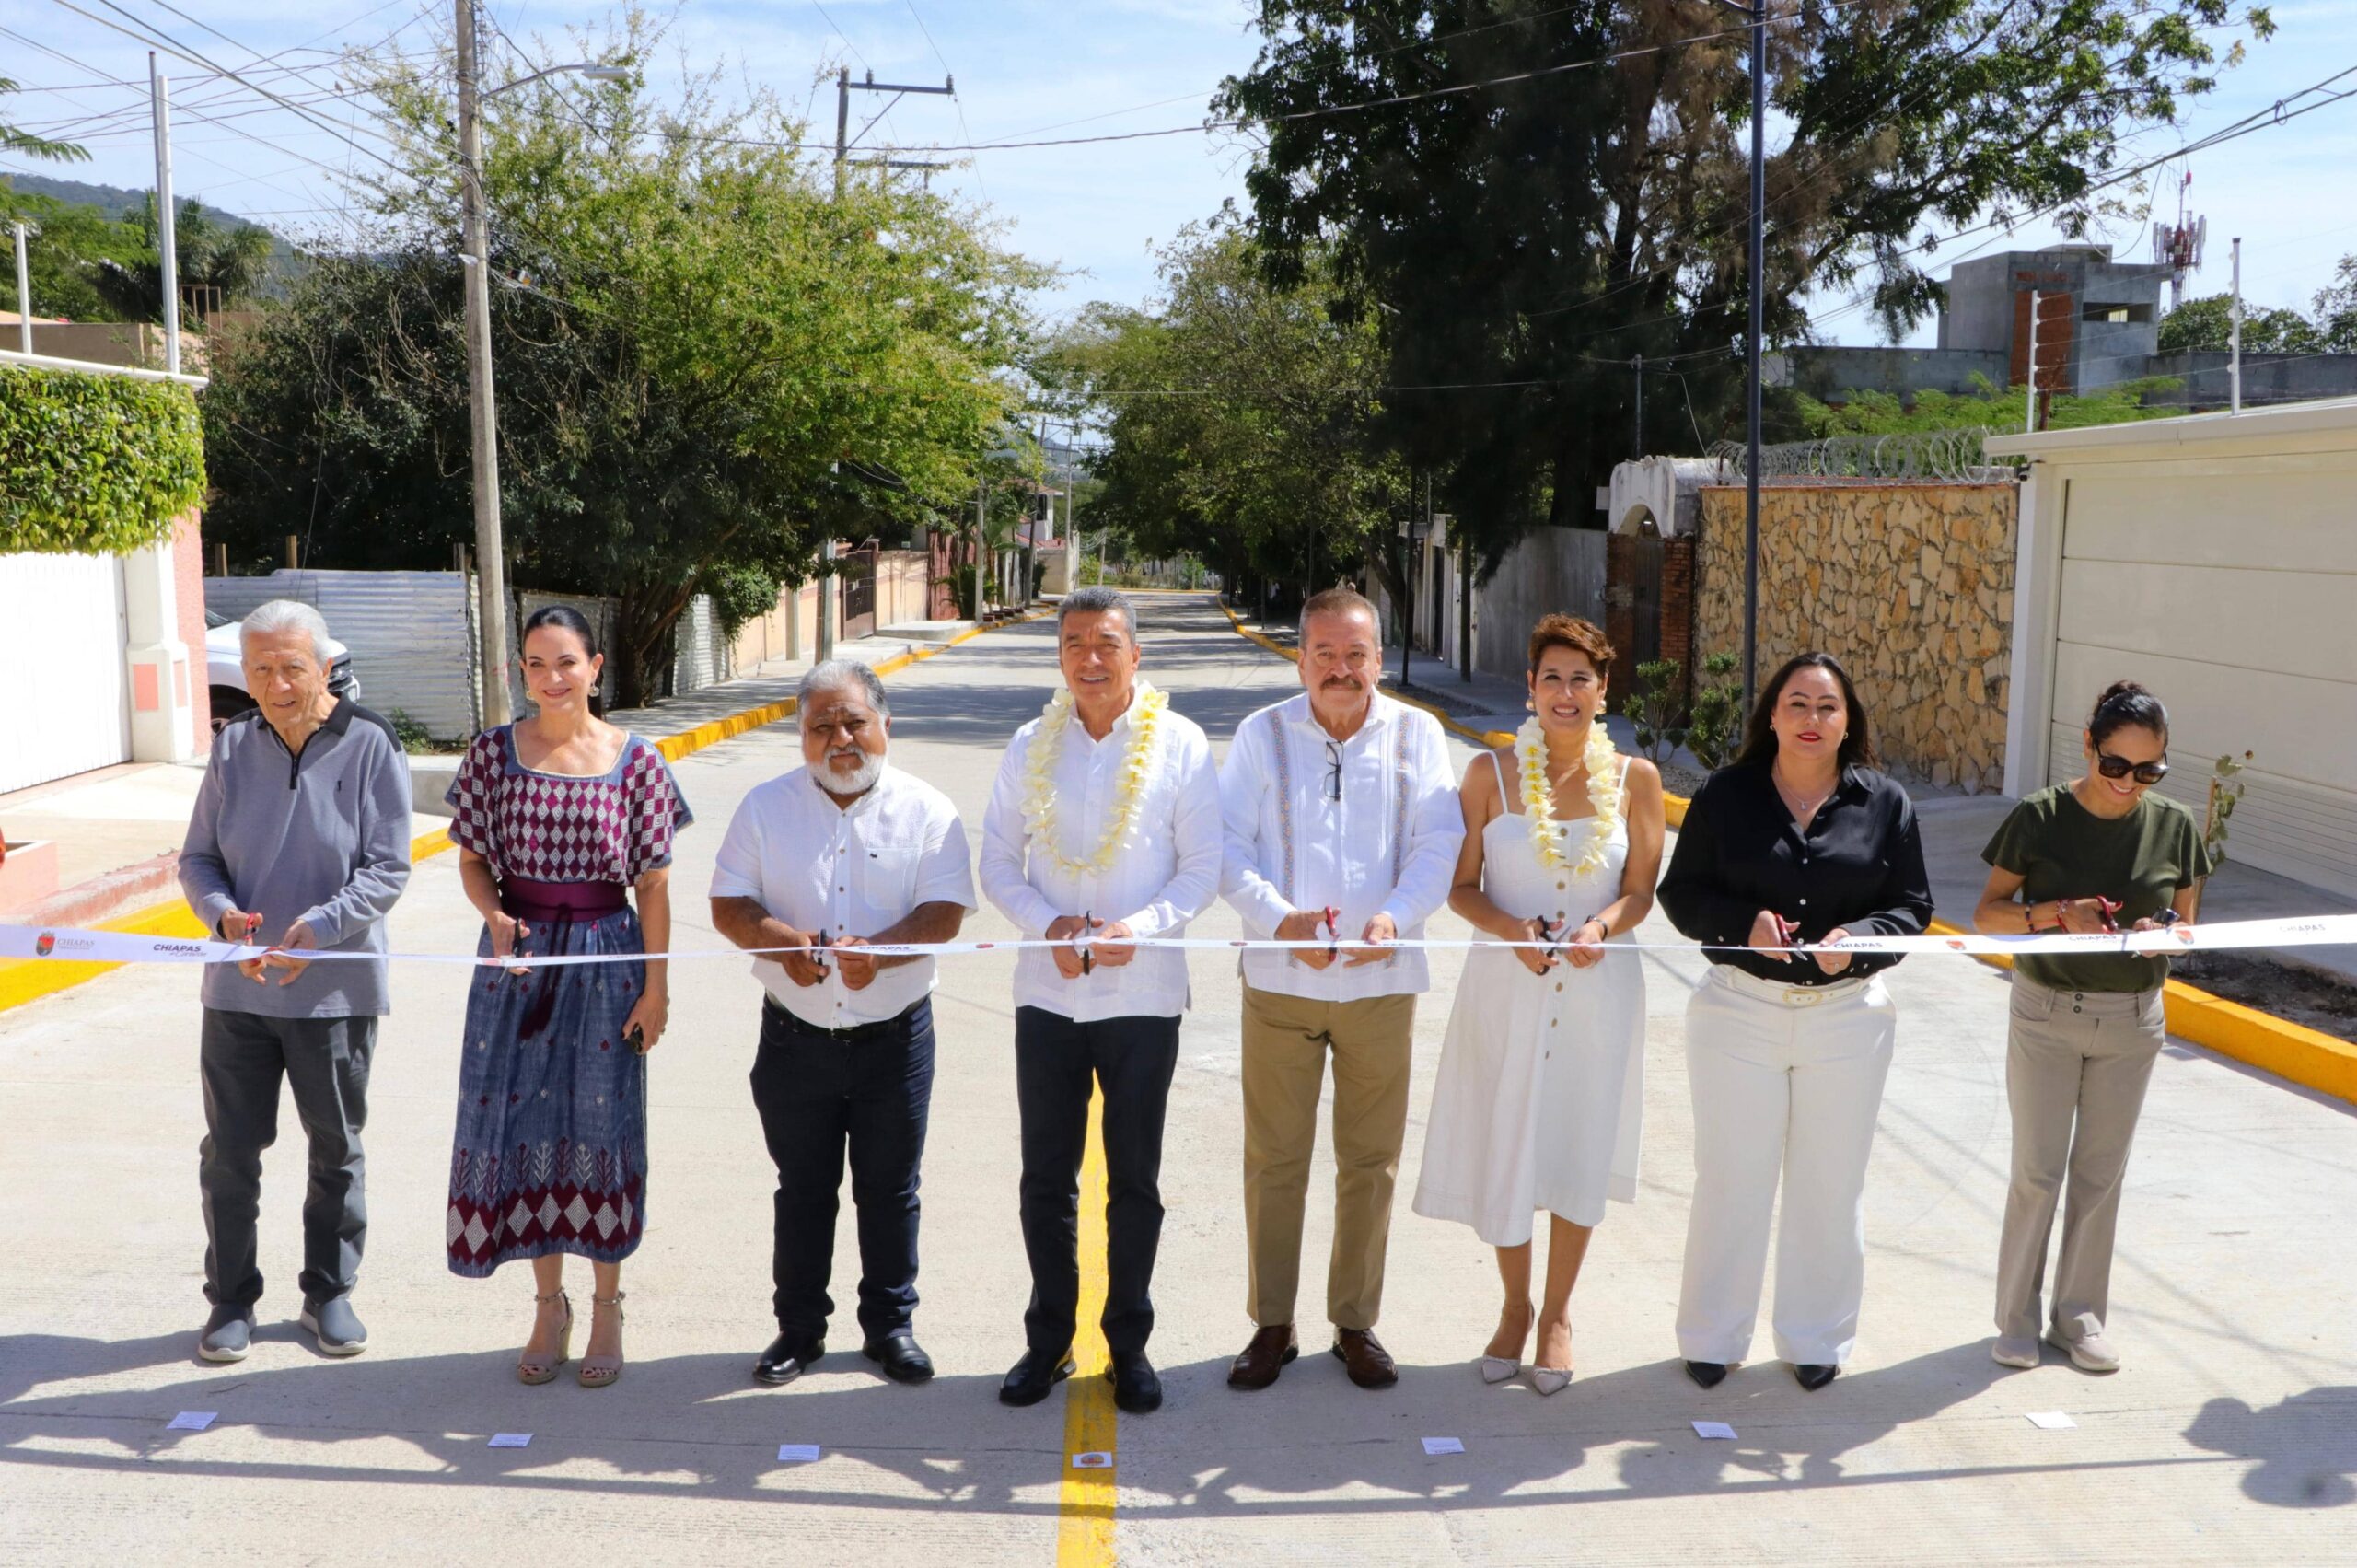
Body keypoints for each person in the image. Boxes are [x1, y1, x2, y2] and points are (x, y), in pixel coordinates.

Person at [1657, 651, 1933, 1392]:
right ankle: (1713, 1336)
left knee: (1830, 1182)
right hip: (1738, 1012)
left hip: (1848, 1020)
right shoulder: (1726, 794)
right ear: (1772, 715)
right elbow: (1681, 894)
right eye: (1798, 704)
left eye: (1828, 707)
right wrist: (1740, 922)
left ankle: (1816, 1338)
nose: (1813, 719)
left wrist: (1861, 941)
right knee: (1730, 1176)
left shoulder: (1886, 802)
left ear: (1850, 722)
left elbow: (1912, 908)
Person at [978, 587, 1222, 1415]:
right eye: (1075, 641)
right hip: (1048, 994)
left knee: (1134, 1180)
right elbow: (999, 862)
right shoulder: (1028, 744)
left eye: (1107, 642)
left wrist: (1142, 927)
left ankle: (1129, 1343)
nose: (1090, 657)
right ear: (1059, 655)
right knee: (1045, 1177)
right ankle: (1048, 1341)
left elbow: (1202, 867)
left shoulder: (1179, 745)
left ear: (1135, 654)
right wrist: (1046, 923)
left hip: (1143, 993)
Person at [1217, 587, 1463, 1391]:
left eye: (1356, 654)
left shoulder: (1419, 734)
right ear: (1300, 658)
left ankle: (1355, 1323)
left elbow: (1439, 843)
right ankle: (1271, 1324)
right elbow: (1228, 847)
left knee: (1370, 1159)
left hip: (1382, 982)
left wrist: (1393, 919)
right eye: (1324, 653)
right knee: (1275, 1157)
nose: (1341, 669)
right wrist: (1278, 917)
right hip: (1281, 982)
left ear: (1379, 658)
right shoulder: (1262, 736)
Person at [1411, 615, 1664, 1393]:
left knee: (1577, 1142)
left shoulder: (1637, 780)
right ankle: (1514, 1306)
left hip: (1597, 993)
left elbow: (1640, 890)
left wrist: (1601, 925)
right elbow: (1459, 888)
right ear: (1529, 686)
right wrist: (1511, 928)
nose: (1565, 692)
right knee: (1511, 1142)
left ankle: (1558, 1315)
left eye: (1580, 678)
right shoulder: (1489, 774)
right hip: (1506, 990)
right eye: (1551, 677)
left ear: (1602, 689)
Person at [443, 605, 691, 1389]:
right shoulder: (491, 754)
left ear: (597, 665)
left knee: (600, 1127)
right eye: (537, 664)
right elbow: (474, 860)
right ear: (523, 670)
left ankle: (608, 1306)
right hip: (517, 963)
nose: (552, 678)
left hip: (605, 959)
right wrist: (493, 914)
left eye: (567, 662)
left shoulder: (636, 761)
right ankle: (548, 1306)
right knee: (523, 1127)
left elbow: (652, 883)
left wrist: (656, 987)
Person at [710, 660, 976, 1388]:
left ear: (885, 723)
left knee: (891, 1189)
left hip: (895, 1037)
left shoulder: (928, 808)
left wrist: (880, 955)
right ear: (802, 736)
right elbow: (728, 903)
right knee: (803, 1187)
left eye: (854, 720)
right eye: (821, 725)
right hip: (794, 1037)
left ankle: (890, 1328)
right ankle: (798, 1330)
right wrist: (778, 941)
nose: (840, 738)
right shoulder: (766, 807)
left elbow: (944, 912)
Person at [180, 599, 412, 1363]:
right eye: (258, 670)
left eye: (290, 667)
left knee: (335, 1150)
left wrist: (323, 926)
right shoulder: (232, 745)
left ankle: (328, 1294)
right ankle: (231, 1301)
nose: (275, 685)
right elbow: (198, 860)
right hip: (240, 993)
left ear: (322, 664)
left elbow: (387, 866)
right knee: (229, 1154)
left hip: (334, 994)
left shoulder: (372, 743)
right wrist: (222, 920)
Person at [1974, 680, 2210, 1375]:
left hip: (2134, 1020)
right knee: (2037, 1171)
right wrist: (2053, 914)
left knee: (2100, 1175)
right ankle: (2015, 1318)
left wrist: (2162, 936)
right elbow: (1986, 913)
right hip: (2046, 1012)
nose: (2129, 784)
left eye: (2148, 771)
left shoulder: (2174, 825)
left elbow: (2188, 928)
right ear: (2088, 746)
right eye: (2115, 766)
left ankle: (2078, 1317)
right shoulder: (2041, 815)